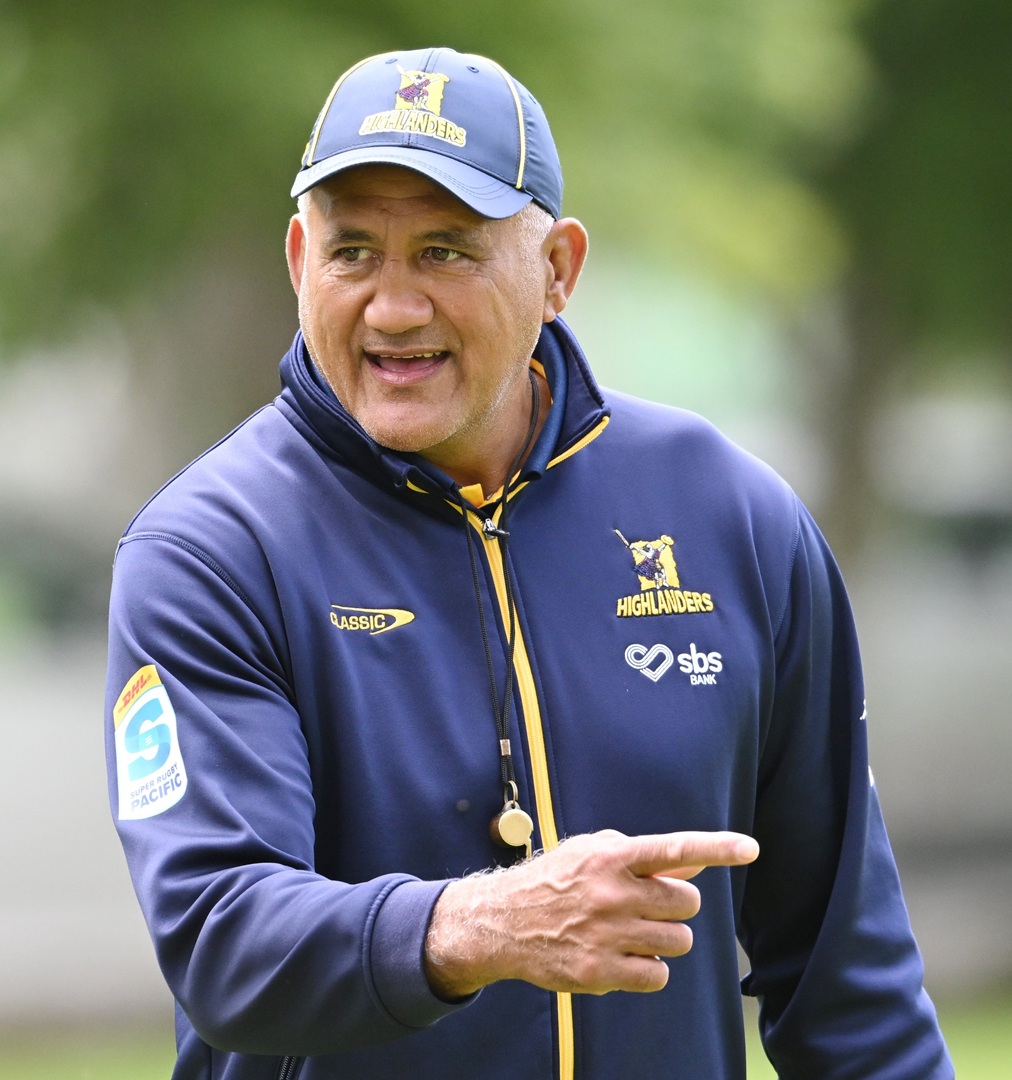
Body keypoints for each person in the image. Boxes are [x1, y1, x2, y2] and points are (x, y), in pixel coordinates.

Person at [105, 46, 953, 1080]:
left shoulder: (734, 517)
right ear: (298, 261)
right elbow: (224, 942)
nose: (393, 307)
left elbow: (848, 986)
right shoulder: (211, 551)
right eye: (354, 251)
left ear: (557, 270)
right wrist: (482, 926)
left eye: (447, 252)